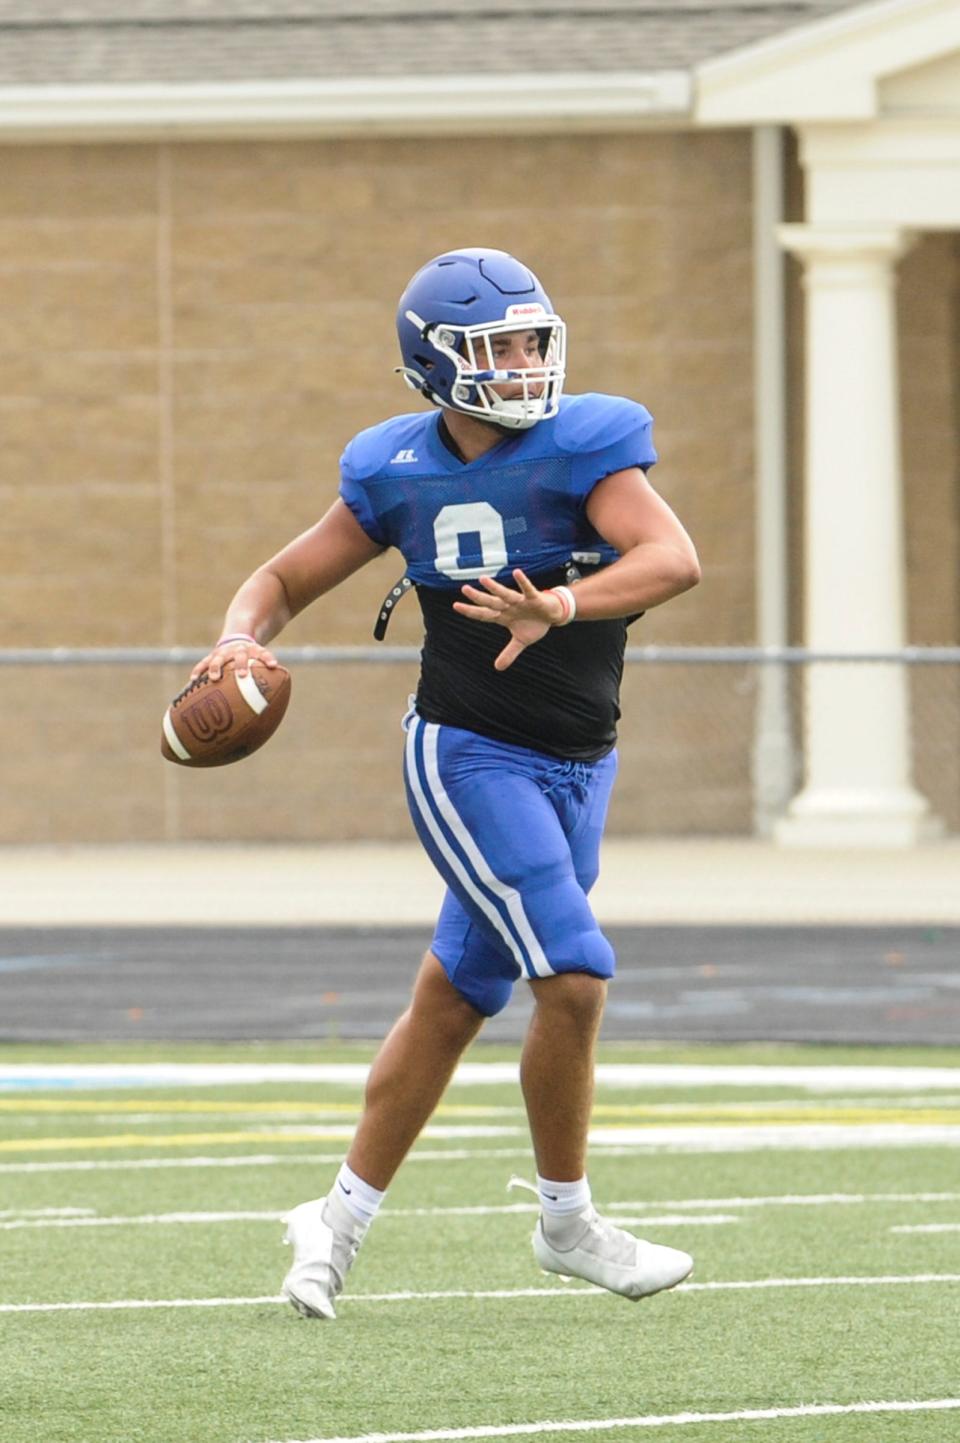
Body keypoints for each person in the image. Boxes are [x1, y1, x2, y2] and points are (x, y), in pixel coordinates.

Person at [192, 247, 701, 1319]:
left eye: (531, 341)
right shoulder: (394, 469)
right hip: (468, 753)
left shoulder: (590, 444)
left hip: (579, 763)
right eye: (496, 347)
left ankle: (331, 1224)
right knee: (572, 975)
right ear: (435, 366)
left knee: (456, 998)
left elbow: (671, 558)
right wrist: (238, 640)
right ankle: (567, 1222)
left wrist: (560, 606)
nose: (522, 363)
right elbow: (282, 578)